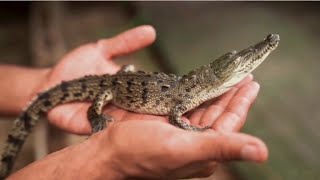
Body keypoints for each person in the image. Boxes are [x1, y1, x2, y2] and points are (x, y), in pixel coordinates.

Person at [0, 25, 268, 179]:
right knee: (103, 96)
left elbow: (175, 110)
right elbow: (176, 116)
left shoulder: (194, 89)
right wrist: (194, 129)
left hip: (130, 81)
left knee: (125, 73)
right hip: (111, 88)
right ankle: (95, 118)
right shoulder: (188, 96)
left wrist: (43, 80)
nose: (245, 61)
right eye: (236, 62)